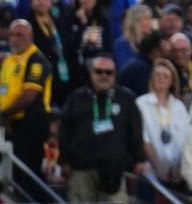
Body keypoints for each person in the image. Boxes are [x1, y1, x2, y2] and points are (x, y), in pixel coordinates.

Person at [59, 52, 148, 203]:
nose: (104, 76)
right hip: (81, 169)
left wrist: (140, 159)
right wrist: (63, 161)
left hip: (115, 171)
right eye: (99, 71)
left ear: (115, 74)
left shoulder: (126, 98)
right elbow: (65, 131)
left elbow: (135, 132)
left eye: (109, 72)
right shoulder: (77, 97)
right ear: (91, 73)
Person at [0, 19, 52, 183]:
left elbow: (29, 96)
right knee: (12, 174)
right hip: (12, 125)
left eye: (20, 35)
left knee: (28, 175)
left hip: (32, 125)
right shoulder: (9, 61)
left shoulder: (37, 60)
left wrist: (3, 114)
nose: (15, 39)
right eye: (12, 35)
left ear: (31, 36)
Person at [137, 58, 190, 189]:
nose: (161, 78)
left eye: (165, 76)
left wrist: (180, 169)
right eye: (157, 75)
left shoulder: (179, 107)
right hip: (151, 172)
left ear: (172, 81)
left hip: (178, 173)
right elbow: (144, 140)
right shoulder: (141, 104)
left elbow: (188, 139)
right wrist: (158, 168)